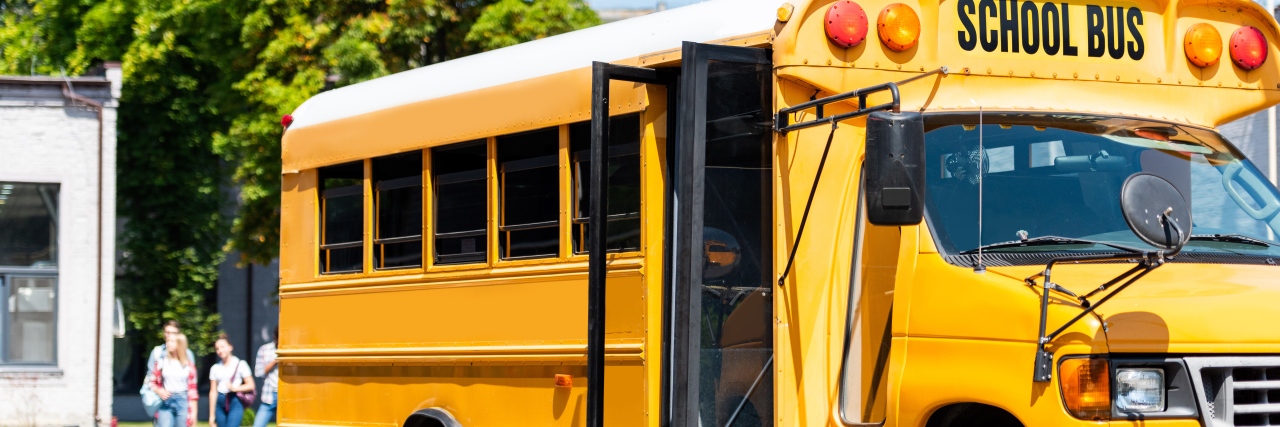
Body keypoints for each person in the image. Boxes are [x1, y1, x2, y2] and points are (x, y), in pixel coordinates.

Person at [148, 333, 198, 427]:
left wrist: (194, 412)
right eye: (168, 341)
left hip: (183, 401)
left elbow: (193, 391)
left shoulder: (189, 365)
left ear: (180, 344)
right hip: (166, 401)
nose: (168, 344)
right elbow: (151, 382)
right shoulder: (162, 362)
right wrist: (159, 391)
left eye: (172, 341)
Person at [209, 334, 255, 427]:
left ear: (230, 347)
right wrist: (211, 415)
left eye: (222, 347)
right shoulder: (215, 368)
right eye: (217, 348)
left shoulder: (240, 364)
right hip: (220, 400)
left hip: (235, 400)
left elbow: (251, 385)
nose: (220, 350)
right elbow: (213, 392)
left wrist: (234, 388)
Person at [253, 327, 279, 427]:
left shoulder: (291, 350)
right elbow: (258, 373)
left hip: (287, 395)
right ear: (275, 337)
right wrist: (275, 361)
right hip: (270, 394)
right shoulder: (264, 349)